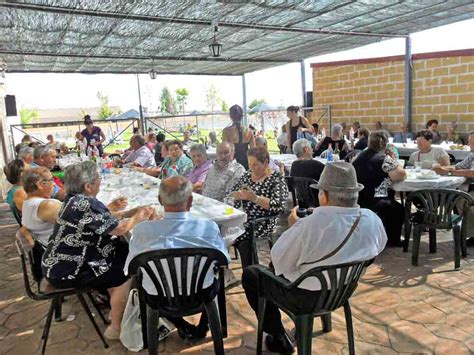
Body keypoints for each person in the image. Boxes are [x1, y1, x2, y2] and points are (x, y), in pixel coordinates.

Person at [242, 162, 387, 353]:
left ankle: (278, 335)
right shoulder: (372, 219)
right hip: (342, 290)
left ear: (324, 195)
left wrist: (294, 226)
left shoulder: (309, 226)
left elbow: (279, 262)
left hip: (305, 297)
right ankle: (312, 324)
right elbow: (376, 250)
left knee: (252, 274)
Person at [42, 161, 155, 340]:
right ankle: (115, 327)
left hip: (58, 263)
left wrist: (129, 212)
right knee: (125, 271)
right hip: (69, 270)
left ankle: (115, 305)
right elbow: (120, 230)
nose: (100, 182)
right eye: (98, 179)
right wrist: (138, 217)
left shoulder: (73, 200)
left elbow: (101, 219)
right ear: (88, 186)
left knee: (122, 250)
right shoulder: (86, 204)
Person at [125, 176, 230, 340]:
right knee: (215, 279)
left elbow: (130, 269)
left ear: (160, 200)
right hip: (201, 293)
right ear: (190, 201)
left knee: (147, 285)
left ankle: (182, 325)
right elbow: (224, 261)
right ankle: (203, 325)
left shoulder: (142, 231)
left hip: (158, 297)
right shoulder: (208, 228)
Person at [229, 147, 288, 268]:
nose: (251, 168)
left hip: (263, 221)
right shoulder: (247, 175)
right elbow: (232, 192)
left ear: (266, 162)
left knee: (241, 237)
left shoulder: (276, 178)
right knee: (219, 230)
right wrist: (238, 195)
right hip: (244, 218)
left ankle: (250, 274)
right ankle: (225, 270)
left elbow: (278, 205)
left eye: (255, 164)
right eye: (249, 164)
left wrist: (255, 198)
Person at [353, 131, 407, 246]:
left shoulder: (359, 157)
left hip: (360, 198)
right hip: (377, 199)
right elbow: (401, 175)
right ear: (385, 144)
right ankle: (393, 240)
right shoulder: (383, 159)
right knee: (398, 209)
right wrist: (393, 160)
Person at [433, 132, 474, 243]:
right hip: (469, 187)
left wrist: (451, 173)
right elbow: (458, 166)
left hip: (471, 188)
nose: (470, 145)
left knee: (462, 200)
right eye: (469, 142)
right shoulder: (472, 155)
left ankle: (470, 233)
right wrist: (443, 168)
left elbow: (472, 173)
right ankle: (469, 233)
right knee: (455, 196)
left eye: (472, 143)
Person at [21, 167, 62, 247]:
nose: (54, 184)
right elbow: (80, 220)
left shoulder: (27, 203)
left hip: (48, 247)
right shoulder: (48, 205)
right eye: (51, 180)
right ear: (40, 184)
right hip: (63, 251)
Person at [222, 104, 255, 169]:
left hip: (233, 163)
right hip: (247, 162)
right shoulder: (249, 131)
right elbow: (253, 150)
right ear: (241, 116)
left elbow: (225, 150)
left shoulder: (226, 131)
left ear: (231, 116)